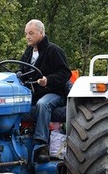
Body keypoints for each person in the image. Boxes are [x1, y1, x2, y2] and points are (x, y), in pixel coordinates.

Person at [20, 19, 71, 163]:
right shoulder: (29, 52)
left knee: (43, 104)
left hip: (55, 93)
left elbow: (64, 73)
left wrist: (48, 80)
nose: (28, 37)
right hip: (34, 93)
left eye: (31, 33)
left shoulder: (53, 50)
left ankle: (41, 145)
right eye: (26, 34)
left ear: (41, 33)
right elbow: (21, 70)